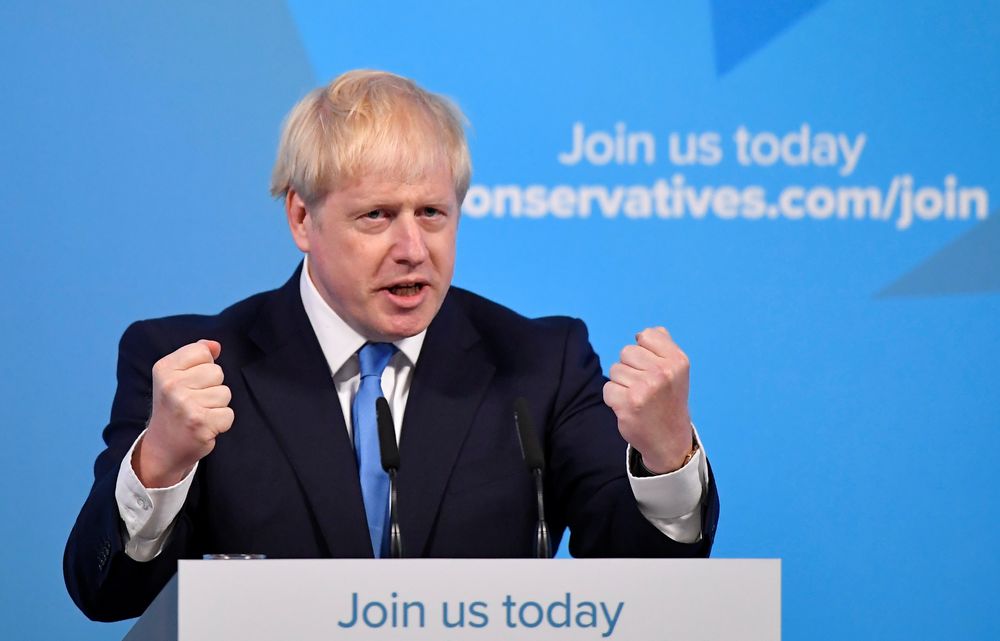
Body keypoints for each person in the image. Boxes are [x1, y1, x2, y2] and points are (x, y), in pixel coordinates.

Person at [64, 70, 719, 622]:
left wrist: (665, 459)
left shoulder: (540, 363)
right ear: (301, 216)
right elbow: (107, 593)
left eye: (432, 213)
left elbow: (646, 583)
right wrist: (159, 465)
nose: (413, 248)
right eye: (376, 215)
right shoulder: (194, 365)